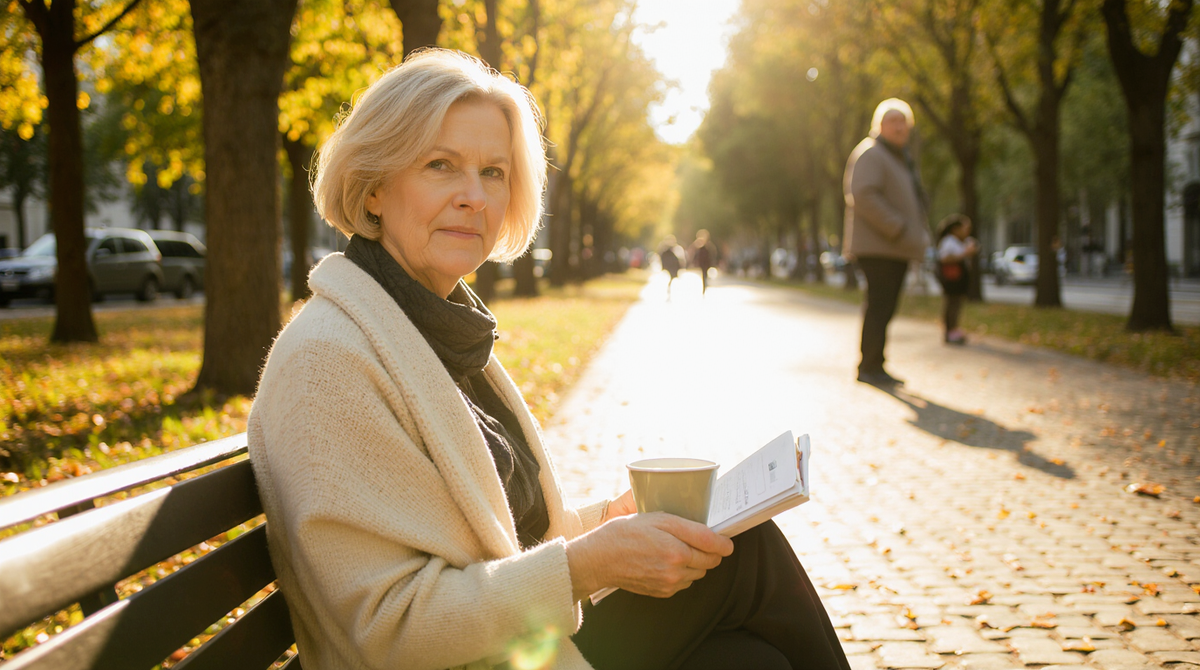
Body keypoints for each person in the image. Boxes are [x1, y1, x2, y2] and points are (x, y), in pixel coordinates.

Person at [247, 49, 849, 670]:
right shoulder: (328, 363)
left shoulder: (433, 326)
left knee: (746, 642)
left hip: (509, 650)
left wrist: (604, 524)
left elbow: (503, 543)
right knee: (747, 565)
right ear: (373, 187)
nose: (473, 197)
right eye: (440, 165)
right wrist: (590, 562)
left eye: (494, 172)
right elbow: (386, 630)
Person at [842, 98, 930, 387]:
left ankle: (875, 363)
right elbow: (863, 195)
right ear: (879, 125)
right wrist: (897, 226)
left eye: (903, 122)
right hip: (878, 246)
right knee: (880, 305)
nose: (899, 127)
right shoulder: (872, 153)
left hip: (894, 247)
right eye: (893, 121)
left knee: (886, 306)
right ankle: (868, 366)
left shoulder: (897, 156)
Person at [935, 214, 977, 345]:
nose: (967, 231)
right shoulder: (949, 241)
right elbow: (944, 258)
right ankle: (950, 331)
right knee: (952, 304)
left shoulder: (958, 241)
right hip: (951, 278)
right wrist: (965, 253)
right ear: (955, 229)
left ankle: (954, 329)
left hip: (958, 278)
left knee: (956, 303)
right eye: (964, 228)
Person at [688, 230, 715, 294]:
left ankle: (705, 284)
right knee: (704, 274)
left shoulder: (708, 246)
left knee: (704, 274)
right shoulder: (698, 245)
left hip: (706, 262)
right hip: (702, 262)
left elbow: (712, 254)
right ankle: (704, 285)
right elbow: (694, 253)